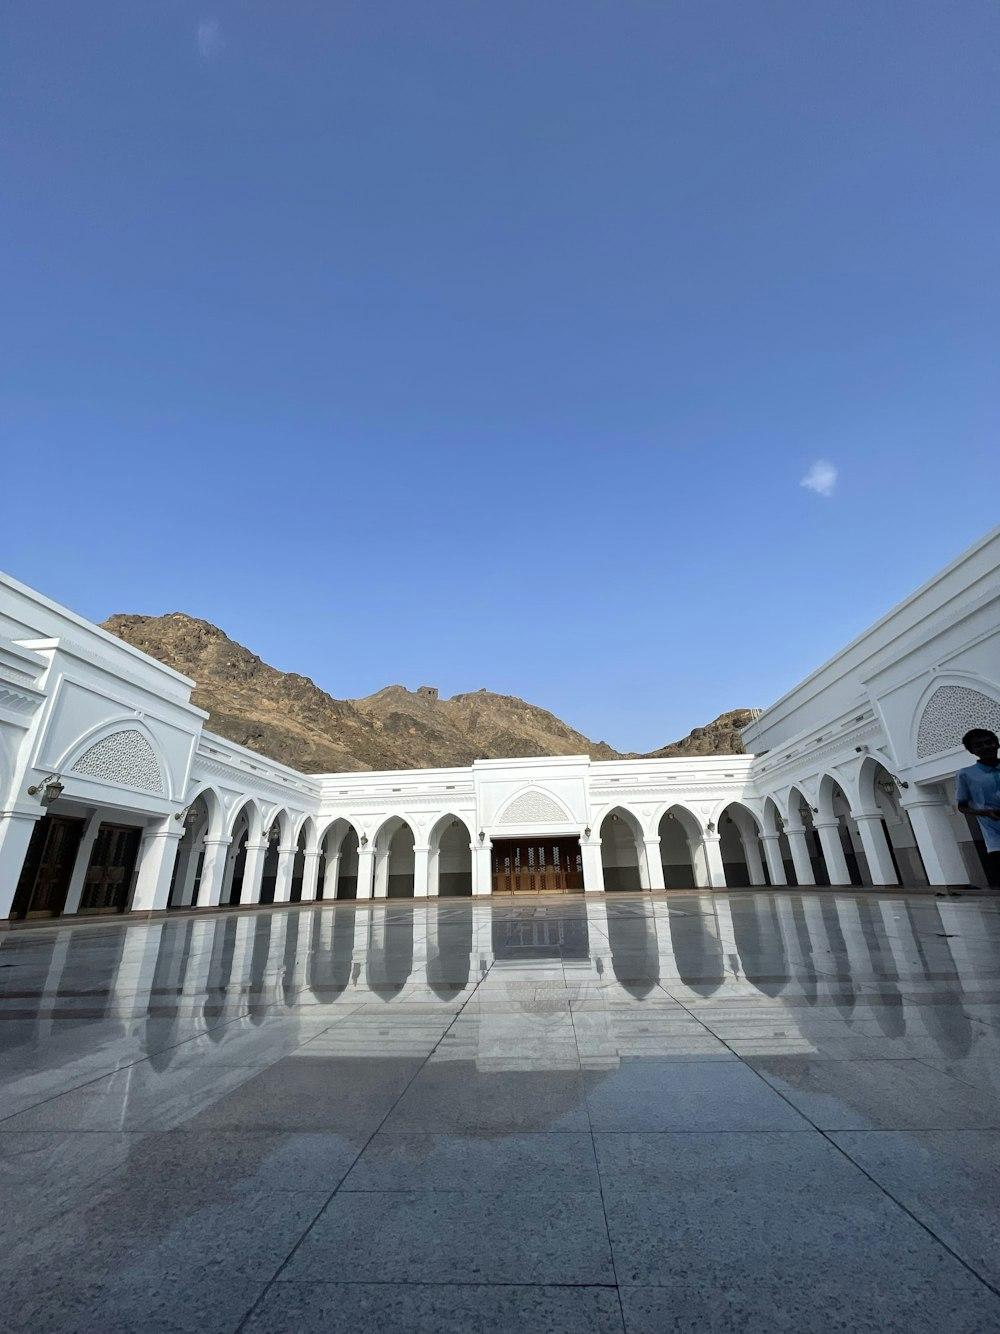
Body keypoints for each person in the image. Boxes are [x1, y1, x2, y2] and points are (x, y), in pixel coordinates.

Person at [956, 728, 1000, 888]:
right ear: (972, 750)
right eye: (979, 745)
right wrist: (985, 812)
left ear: (997, 744)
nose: (986, 747)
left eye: (989, 742)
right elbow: (962, 806)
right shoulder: (966, 775)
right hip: (995, 839)